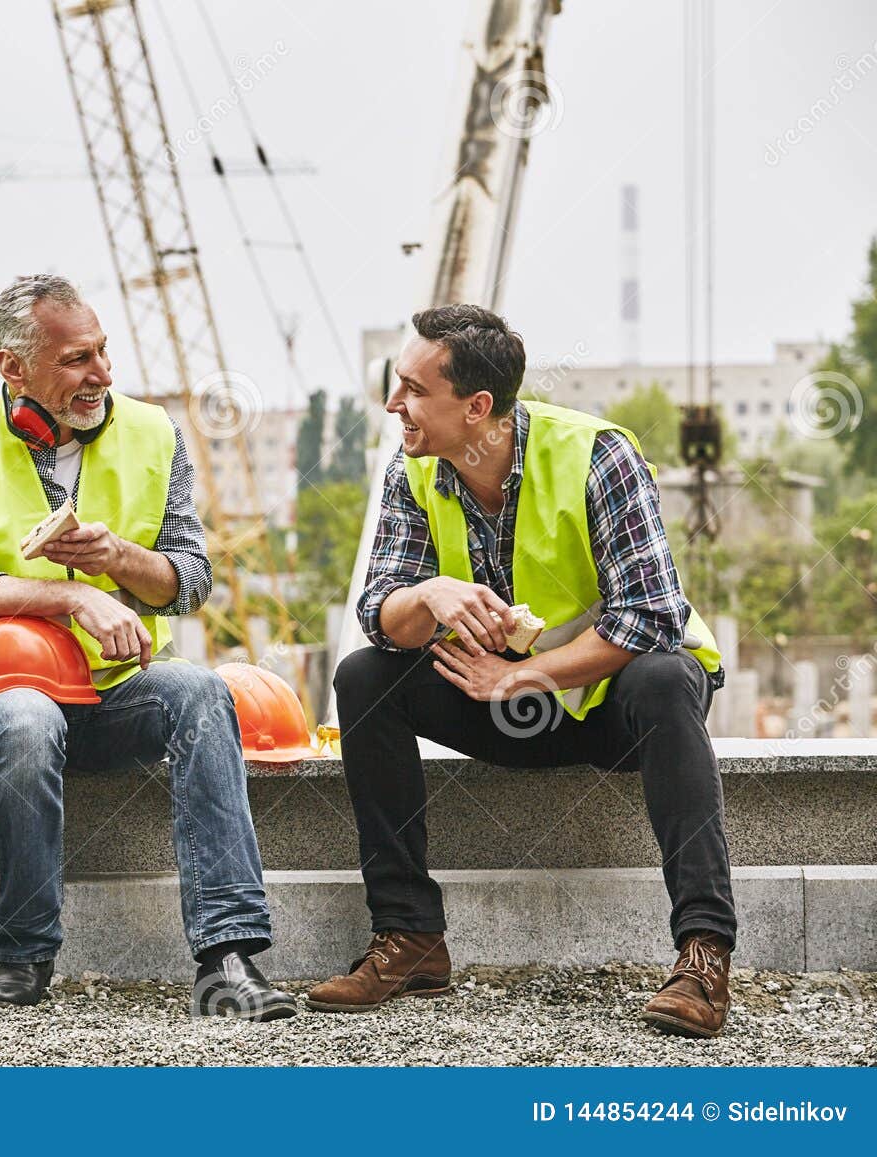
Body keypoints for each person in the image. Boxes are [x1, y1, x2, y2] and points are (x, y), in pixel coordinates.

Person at [308, 304, 735, 1038]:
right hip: (502, 704)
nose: (392, 404)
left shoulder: (597, 454)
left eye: (412, 388)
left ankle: (703, 953)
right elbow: (380, 612)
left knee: (666, 677)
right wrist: (429, 593)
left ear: (477, 407)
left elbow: (651, 617)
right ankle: (410, 937)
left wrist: (521, 678)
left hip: (615, 709)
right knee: (364, 677)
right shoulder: (411, 472)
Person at [0, 273, 296, 1020]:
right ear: (12, 368)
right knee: (27, 722)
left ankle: (229, 956)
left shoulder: (155, 434)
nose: (102, 375)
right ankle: (25, 952)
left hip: (117, 688)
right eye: (77, 359)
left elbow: (188, 581)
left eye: (103, 352)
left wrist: (117, 559)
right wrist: (72, 596)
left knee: (204, 692)